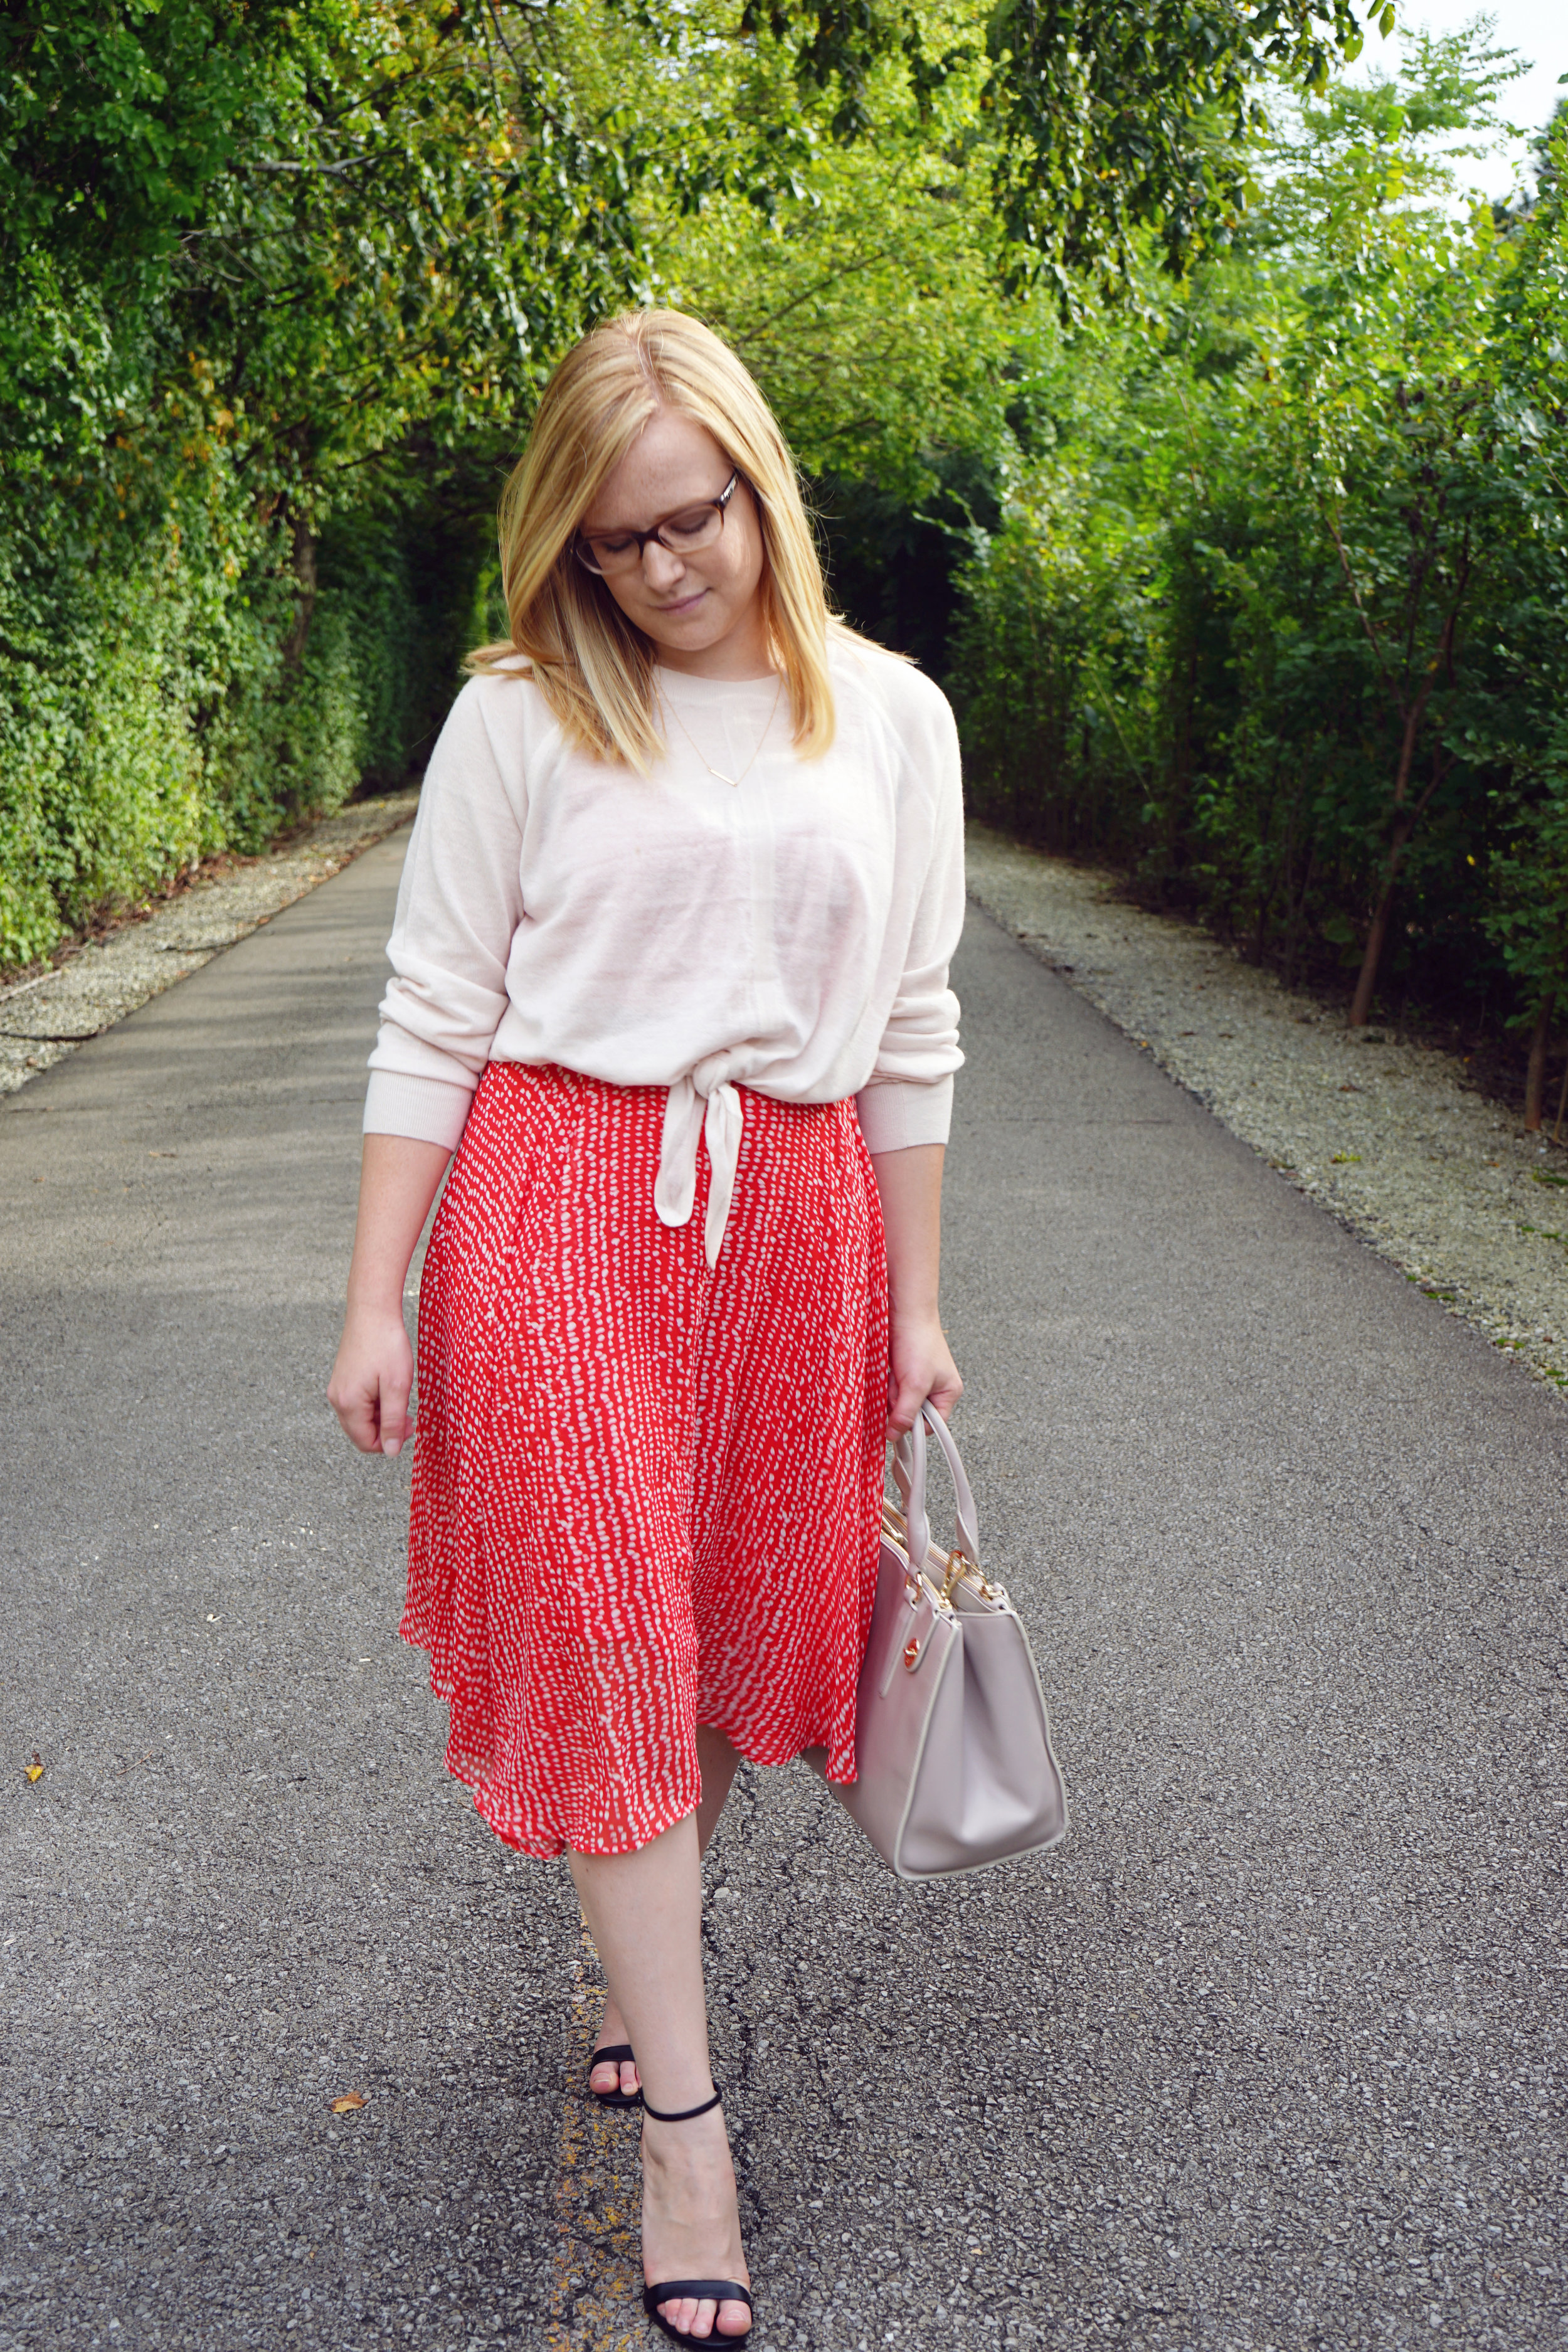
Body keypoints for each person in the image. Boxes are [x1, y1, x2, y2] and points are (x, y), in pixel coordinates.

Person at [327, 307, 964, 2346]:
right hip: (554, 1200)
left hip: (794, 1219)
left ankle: (635, 1959)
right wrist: (373, 1297)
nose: (664, 568)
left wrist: (920, 1306)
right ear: (565, 552)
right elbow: (434, 1008)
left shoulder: (889, 719)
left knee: (711, 1625)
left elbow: (918, 1031)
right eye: (615, 543)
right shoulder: (519, 713)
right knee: (606, 1618)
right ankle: (688, 2135)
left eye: (692, 520)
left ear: (760, 486)